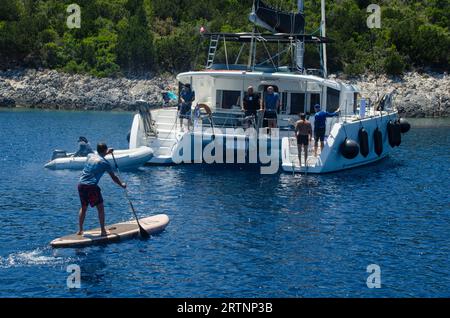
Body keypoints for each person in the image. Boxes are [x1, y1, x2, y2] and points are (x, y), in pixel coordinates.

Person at [77, 143, 126, 236]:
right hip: (91, 187)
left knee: (83, 208)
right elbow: (114, 177)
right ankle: (103, 231)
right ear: (105, 150)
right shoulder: (105, 163)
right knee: (100, 208)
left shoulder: (90, 155)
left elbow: (98, 156)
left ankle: (80, 230)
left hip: (81, 184)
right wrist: (122, 184)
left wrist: (107, 152)